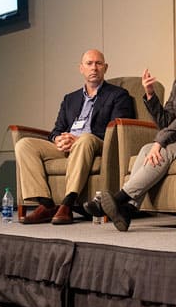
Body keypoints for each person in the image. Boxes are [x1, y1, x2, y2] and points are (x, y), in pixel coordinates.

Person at [86, 31, 176, 232]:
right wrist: (150, 96)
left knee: (162, 149)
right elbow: (167, 120)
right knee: (147, 149)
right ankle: (128, 209)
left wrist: (160, 142)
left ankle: (119, 197)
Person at [15, 49, 135, 225]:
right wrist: (58, 139)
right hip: (68, 145)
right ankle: (46, 204)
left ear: (105, 68)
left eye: (98, 63)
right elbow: (57, 129)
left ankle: (68, 203)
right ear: (81, 68)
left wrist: (78, 139)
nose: (94, 68)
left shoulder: (118, 95)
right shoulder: (70, 99)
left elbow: (118, 129)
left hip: (97, 143)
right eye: (89, 63)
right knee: (24, 144)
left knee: (85, 139)